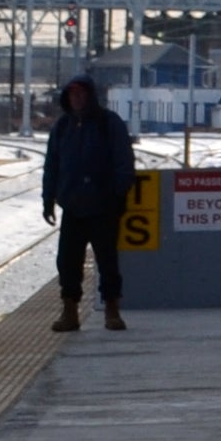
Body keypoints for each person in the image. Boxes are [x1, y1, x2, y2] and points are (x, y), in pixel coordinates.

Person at [42, 76, 135, 333]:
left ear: (90, 96)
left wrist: (117, 195)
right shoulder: (62, 127)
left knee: (107, 261)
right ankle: (69, 310)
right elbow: (52, 165)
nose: (77, 99)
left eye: (81, 94)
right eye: (73, 95)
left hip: (104, 206)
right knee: (68, 261)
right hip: (72, 206)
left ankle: (112, 309)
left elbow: (124, 162)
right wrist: (48, 199)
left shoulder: (109, 123)